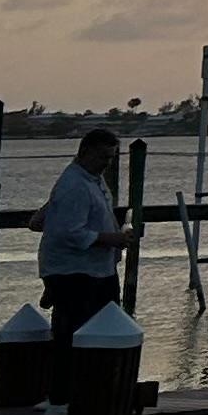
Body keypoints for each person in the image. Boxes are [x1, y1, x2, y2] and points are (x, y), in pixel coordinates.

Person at [37, 124, 134, 337]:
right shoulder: (75, 185)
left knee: (105, 330)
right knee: (79, 334)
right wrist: (112, 238)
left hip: (97, 270)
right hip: (77, 274)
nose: (107, 163)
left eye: (111, 158)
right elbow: (70, 233)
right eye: (102, 157)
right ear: (85, 152)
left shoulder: (92, 179)